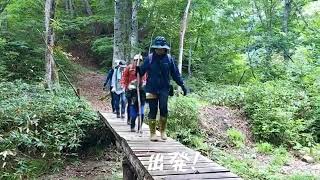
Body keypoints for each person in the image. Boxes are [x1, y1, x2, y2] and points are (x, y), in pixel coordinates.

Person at [136, 36, 188, 141]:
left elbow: (175, 74)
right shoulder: (149, 58)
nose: (159, 50)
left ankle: (163, 131)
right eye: (157, 48)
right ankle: (152, 133)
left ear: (165, 48)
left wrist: (182, 85)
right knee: (153, 110)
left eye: (161, 48)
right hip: (151, 88)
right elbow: (141, 72)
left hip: (164, 88)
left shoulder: (169, 59)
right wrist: (138, 69)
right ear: (155, 48)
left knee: (163, 109)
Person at [121, 54, 147, 132]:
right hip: (131, 92)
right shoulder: (129, 68)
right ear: (134, 60)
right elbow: (124, 77)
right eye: (136, 60)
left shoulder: (144, 69)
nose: (138, 62)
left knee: (141, 112)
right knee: (132, 109)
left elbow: (147, 79)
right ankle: (131, 123)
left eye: (140, 61)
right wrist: (125, 86)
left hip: (141, 92)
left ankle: (140, 127)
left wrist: (145, 85)